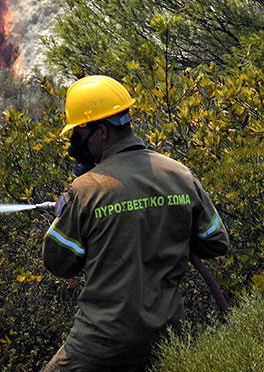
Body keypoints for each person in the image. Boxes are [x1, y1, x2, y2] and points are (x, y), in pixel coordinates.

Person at [40, 75, 229, 372]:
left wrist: (69, 211)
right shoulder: (179, 174)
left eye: (79, 132)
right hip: (169, 337)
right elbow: (216, 241)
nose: (76, 142)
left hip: (102, 341)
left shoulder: (86, 189)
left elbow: (58, 262)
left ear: (102, 131)